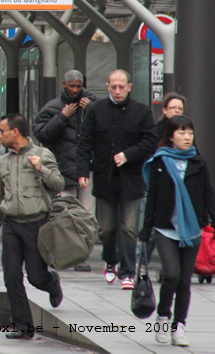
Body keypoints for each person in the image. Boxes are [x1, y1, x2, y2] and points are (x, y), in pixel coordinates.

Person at [76, 69, 158, 290]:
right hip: (105, 178)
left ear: (130, 87)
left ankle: (127, 271)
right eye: (114, 86)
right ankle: (110, 260)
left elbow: (150, 141)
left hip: (131, 179)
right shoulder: (96, 110)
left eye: (122, 86)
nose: (118, 90)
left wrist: (128, 155)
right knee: (106, 228)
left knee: (129, 228)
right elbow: (85, 143)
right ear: (107, 86)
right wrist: (82, 171)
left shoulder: (141, 112)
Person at [139, 115, 215, 347]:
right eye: (181, 132)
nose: (186, 137)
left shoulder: (198, 163)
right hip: (165, 228)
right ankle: (163, 317)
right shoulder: (160, 162)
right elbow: (152, 196)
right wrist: (145, 228)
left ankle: (179, 326)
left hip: (192, 229)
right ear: (171, 136)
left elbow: (207, 194)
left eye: (190, 133)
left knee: (184, 280)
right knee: (171, 273)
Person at [0, 113, 65, 339]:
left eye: (3, 131)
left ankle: (52, 283)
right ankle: (24, 326)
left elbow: (59, 184)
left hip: (36, 223)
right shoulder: (4, 162)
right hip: (11, 225)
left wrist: (41, 168)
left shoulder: (42, 155)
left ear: (16, 132)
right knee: (11, 275)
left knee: (35, 276)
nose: (0, 135)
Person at [34, 70, 97, 270]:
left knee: (87, 213)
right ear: (64, 85)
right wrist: (62, 117)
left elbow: (107, 127)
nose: (76, 90)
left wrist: (92, 110)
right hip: (64, 169)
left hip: (87, 167)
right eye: (72, 86)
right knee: (64, 213)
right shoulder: (53, 107)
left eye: (79, 86)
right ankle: (66, 253)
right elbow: (42, 133)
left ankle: (83, 256)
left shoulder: (93, 103)